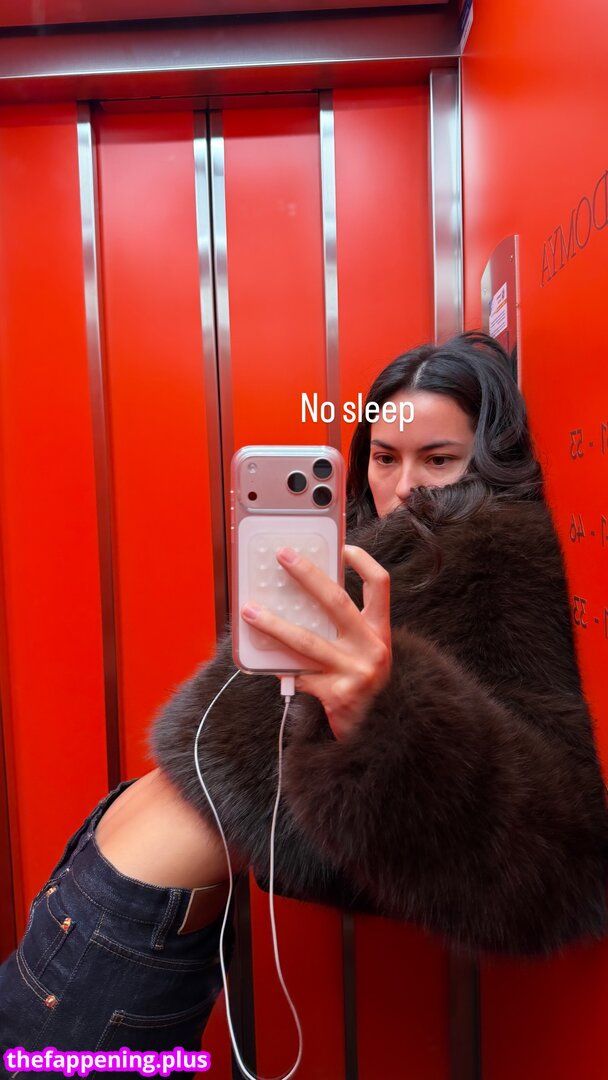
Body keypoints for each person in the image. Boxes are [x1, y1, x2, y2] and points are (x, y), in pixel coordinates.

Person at [1, 331, 607, 1066]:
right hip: (98, 895)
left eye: (439, 459)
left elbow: (554, 861)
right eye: (384, 457)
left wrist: (388, 717)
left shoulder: (488, 558)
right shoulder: (381, 554)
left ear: (489, 456)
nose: (403, 487)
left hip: (129, 922)